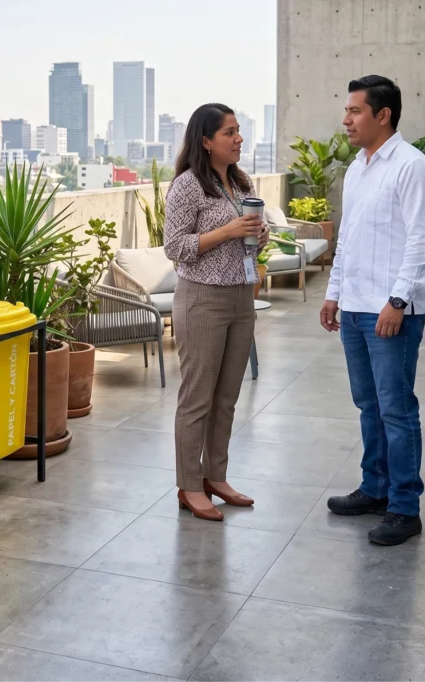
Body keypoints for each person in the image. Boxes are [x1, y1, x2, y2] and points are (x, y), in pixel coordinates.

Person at [320, 76, 425, 546]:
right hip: (353, 307)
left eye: (354, 111)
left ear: (383, 114)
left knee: (396, 409)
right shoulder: (357, 169)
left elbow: (421, 241)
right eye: (347, 110)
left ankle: (405, 507)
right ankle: (374, 488)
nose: (346, 119)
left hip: (391, 312)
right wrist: (333, 293)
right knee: (368, 405)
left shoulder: (412, 167)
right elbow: (347, 237)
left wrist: (397, 301)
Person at [164, 103, 270, 522]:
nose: (238, 138)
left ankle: (216, 477)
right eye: (229, 132)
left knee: (227, 397)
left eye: (239, 131)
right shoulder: (188, 186)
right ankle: (189, 485)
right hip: (202, 299)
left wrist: (258, 235)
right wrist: (227, 231)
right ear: (206, 142)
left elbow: (250, 240)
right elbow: (175, 248)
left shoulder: (241, 182)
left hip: (240, 297)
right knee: (197, 400)